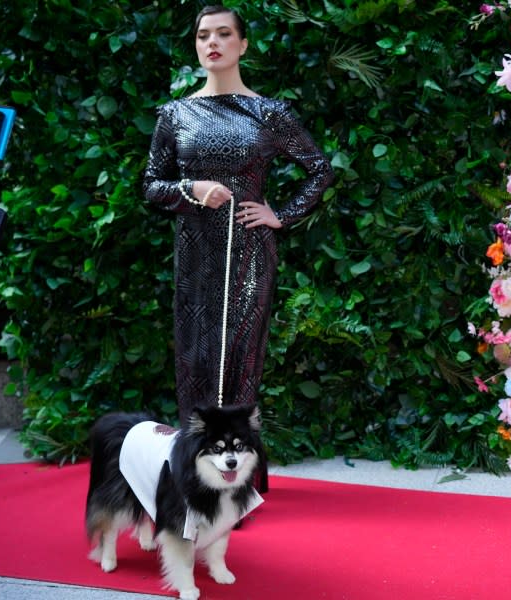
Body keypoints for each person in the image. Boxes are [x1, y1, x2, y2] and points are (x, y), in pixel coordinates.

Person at [142, 5, 334, 489]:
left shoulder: (269, 113)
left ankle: (240, 482)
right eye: (204, 35)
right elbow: (150, 186)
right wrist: (193, 191)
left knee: (239, 360)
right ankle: (195, 478)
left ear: (242, 45)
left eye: (224, 34)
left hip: (248, 254)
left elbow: (319, 169)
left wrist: (280, 215)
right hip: (193, 255)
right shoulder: (175, 113)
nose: (213, 43)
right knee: (194, 360)